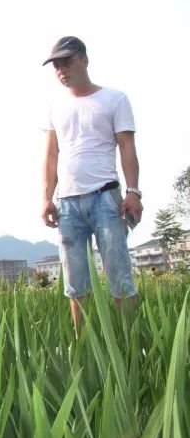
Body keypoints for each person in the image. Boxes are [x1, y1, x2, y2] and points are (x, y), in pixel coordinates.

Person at [41, 36, 142, 333]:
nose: (61, 70)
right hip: (68, 204)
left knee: (119, 275)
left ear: (84, 60)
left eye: (66, 62)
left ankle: (131, 346)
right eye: (56, 66)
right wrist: (46, 198)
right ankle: (83, 348)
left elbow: (126, 146)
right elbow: (50, 155)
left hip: (105, 198)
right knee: (76, 283)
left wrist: (133, 192)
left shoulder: (114, 98)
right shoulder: (55, 106)